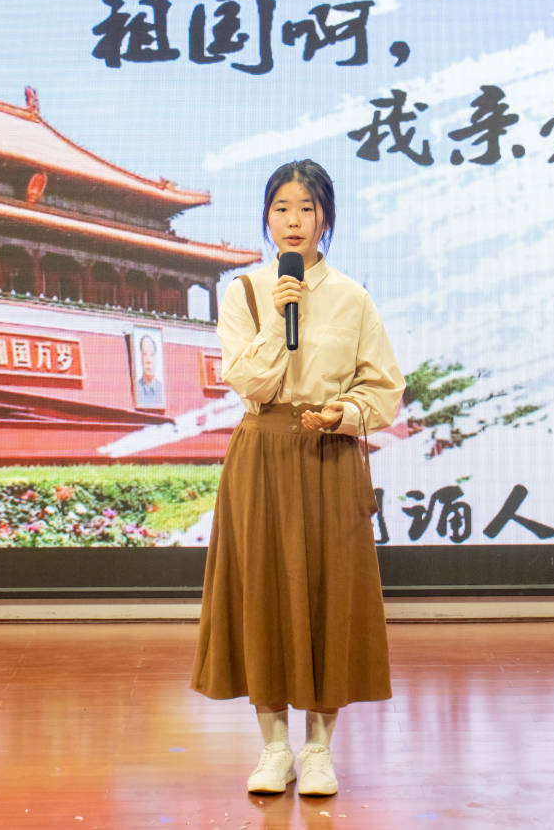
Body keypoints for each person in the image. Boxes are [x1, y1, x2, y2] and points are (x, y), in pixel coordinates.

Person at [190, 159, 405, 796]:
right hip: (261, 452)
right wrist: (278, 323)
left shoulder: (353, 297)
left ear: (325, 218)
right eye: (281, 207)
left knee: (327, 593)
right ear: (266, 217)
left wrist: (346, 413)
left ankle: (318, 750)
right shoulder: (246, 292)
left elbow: (384, 389)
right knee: (263, 591)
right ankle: (274, 747)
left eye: (306, 208)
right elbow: (245, 380)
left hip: (328, 454)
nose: (293, 220)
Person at [135, 333, 164, 408]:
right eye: (144, 354)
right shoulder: (136, 389)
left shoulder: (162, 390)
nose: (148, 360)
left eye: (152, 354)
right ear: (141, 359)